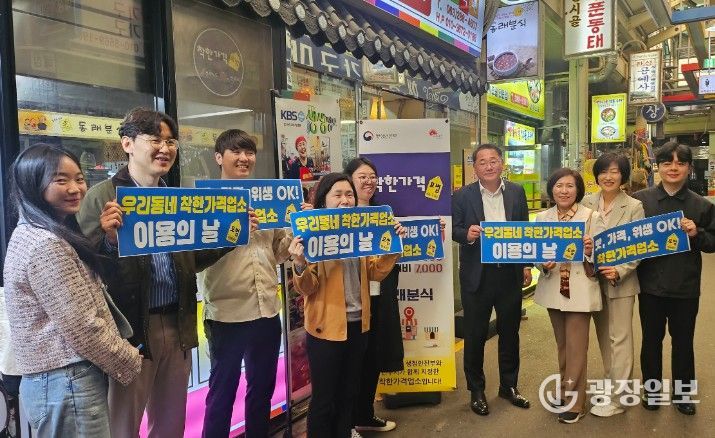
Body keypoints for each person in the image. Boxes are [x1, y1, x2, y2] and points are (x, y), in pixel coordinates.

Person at [76, 108, 229, 437]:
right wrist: (108, 241)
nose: (165, 148)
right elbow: (82, 268)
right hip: (129, 333)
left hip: (177, 325)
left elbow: (191, 260)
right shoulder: (102, 197)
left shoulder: (176, 199)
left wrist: (231, 237)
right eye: (155, 140)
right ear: (127, 144)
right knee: (123, 426)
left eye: (171, 142)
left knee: (171, 424)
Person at [3, 144, 142, 437]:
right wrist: (128, 358)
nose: (75, 188)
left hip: (59, 380)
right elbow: (82, 326)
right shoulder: (46, 245)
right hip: (68, 379)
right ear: (33, 184)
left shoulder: (39, 231)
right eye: (60, 180)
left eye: (79, 178)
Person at [199, 129, 308, 437]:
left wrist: (298, 227)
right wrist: (232, 229)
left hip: (267, 311)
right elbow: (197, 256)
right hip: (227, 313)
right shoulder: (205, 202)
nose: (244, 158)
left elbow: (277, 253)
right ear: (219, 157)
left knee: (261, 391)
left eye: (249, 153)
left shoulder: (268, 199)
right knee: (222, 393)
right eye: (236, 152)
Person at [288, 173, 404, 438]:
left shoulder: (360, 231)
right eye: (338, 195)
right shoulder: (312, 232)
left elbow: (375, 272)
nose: (345, 200)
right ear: (324, 200)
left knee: (348, 395)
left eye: (349, 194)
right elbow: (307, 288)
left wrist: (392, 245)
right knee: (324, 399)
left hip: (358, 326)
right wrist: (299, 264)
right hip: (325, 330)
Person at [632, 142, 715, 415]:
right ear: (658, 167)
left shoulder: (701, 205)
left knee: (683, 342)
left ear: (689, 168)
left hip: (685, 287)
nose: (674, 168)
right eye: (668, 163)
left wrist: (697, 233)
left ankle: (683, 394)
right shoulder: (641, 201)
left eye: (680, 163)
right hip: (650, 285)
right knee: (650, 341)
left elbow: (713, 242)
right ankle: (652, 391)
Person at [451, 144, 532, 416]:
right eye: (482, 162)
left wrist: (526, 265)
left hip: (509, 274)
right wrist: (467, 234)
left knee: (510, 333)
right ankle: (476, 390)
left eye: (493, 160)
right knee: (475, 336)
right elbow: (454, 228)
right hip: (478, 276)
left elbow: (524, 229)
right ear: (474, 167)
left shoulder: (517, 192)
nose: (488, 166)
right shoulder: (462, 195)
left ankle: (509, 386)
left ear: (502, 164)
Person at [534, 168, 604, 424]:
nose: (564, 191)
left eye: (570, 186)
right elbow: (535, 253)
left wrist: (590, 251)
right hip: (554, 288)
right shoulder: (542, 218)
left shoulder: (591, 217)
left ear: (578, 190)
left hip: (580, 290)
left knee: (576, 347)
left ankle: (575, 402)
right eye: (559, 186)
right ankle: (566, 390)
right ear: (551, 189)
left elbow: (603, 256)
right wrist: (543, 264)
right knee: (563, 345)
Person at [581, 153, 644, 417]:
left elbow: (638, 246)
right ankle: (610, 385)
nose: (608, 177)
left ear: (623, 176)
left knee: (620, 338)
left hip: (620, 282)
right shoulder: (586, 202)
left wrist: (619, 270)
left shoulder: (633, 206)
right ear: (596, 175)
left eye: (615, 171)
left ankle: (619, 399)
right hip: (593, 280)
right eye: (604, 171)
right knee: (604, 336)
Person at [344, 158, 401, 433]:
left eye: (372, 177)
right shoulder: (340, 215)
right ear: (349, 180)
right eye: (362, 176)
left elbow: (390, 254)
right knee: (352, 364)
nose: (369, 182)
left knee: (374, 358)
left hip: (379, 295)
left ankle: (365, 415)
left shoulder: (383, 214)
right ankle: (347, 422)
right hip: (352, 302)